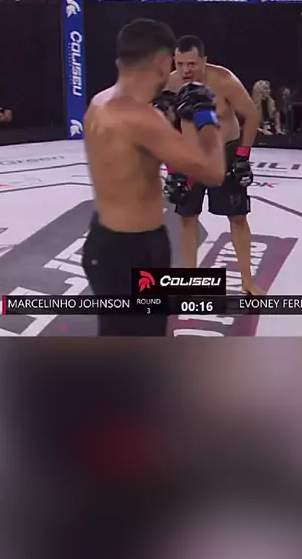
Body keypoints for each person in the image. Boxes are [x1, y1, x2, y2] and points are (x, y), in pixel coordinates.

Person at [81, 19, 225, 337]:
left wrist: (168, 119)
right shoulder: (141, 118)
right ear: (163, 62)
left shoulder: (100, 102)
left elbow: (135, 159)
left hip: (105, 240)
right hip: (132, 251)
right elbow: (213, 171)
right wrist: (206, 116)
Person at [166, 35, 261, 295]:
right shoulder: (170, 84)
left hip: (224, 154)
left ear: (204, 61)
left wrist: (242, 156)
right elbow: (163, 126)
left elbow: (251, 115)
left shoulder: (223, 80)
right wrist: (172, 170)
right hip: (190, 157)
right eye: (180, 63)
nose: (186, 70)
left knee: (238, 217)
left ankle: (247, 281)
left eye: (192, 64)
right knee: (187, 217)